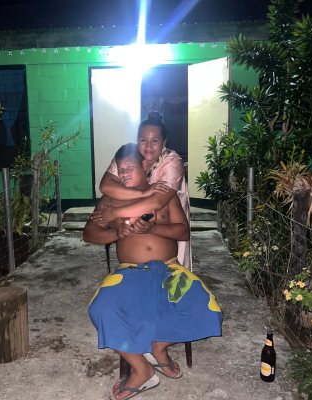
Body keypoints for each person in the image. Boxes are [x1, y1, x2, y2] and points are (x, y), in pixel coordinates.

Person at [84, 144, 222, 400]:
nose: (124, 173)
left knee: (206, 308)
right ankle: (141, 368)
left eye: (130, 167)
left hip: (169, 269)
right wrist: (116, 233)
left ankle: (158, 347)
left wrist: (152, 229)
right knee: (101, 309)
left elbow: (183, 231)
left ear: (144, 166)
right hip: (129, 272)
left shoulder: (164, 195)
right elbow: (89, 233)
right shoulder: (110, 200)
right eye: (120, 170)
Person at [91, 111, 192, 271]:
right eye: (143, 140)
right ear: (137, 140)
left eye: (154, 140)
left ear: (164, 141)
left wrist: (115, 213)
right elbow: (105, 186)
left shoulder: (172, 163)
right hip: (131, 269)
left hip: (167, 258)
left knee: (179, 253)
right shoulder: (127, 158)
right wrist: (141, 193)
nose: (148, 146)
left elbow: (157, 201)